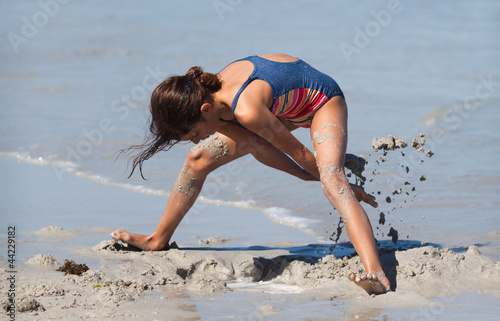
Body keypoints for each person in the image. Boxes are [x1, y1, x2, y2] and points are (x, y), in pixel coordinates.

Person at [111, 53, 390, 295]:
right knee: (197, 160)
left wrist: (328, 178)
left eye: (194, 133)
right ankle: (157, 239)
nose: (197, 139)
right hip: (280, 109)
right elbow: (258, 147)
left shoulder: (245, 110)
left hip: (321, 102)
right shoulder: (209, 99)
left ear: (205, 110)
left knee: (333, 182)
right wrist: (308, 175)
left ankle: (376, 274)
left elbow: (300, 154)